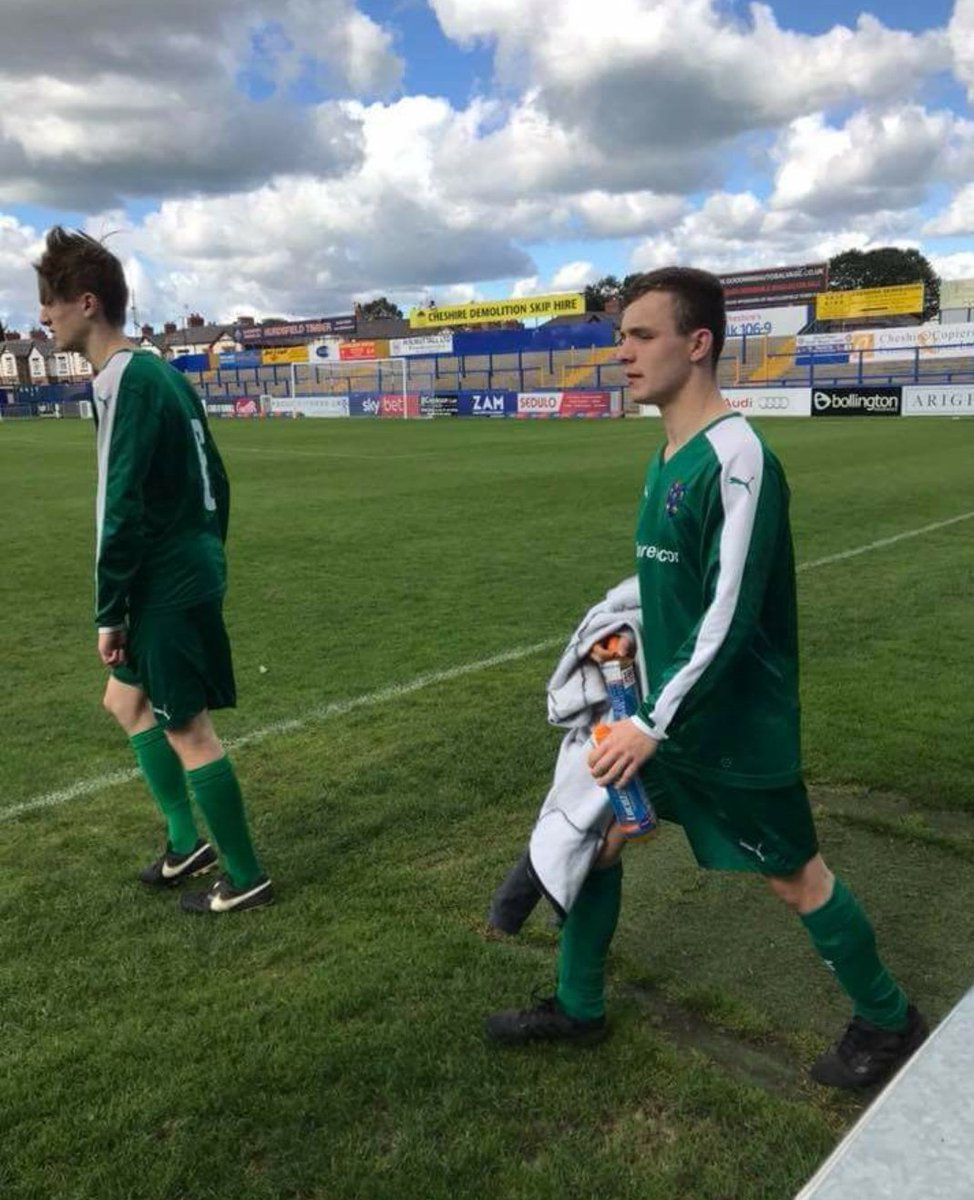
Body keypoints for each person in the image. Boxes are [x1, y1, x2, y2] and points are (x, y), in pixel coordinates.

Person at [486, 267, 926, 1088]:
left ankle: (889, 1018)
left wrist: (650, 724)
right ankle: (578, 1007)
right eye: (621, 336)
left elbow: (728, 615)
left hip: (730, 727)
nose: (622, 352)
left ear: (698, 344)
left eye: (641, 335)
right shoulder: (667, 455)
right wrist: (622, 634)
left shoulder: (738, 460)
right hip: (667, 717)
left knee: (796, 877)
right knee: (601, 842)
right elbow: (674, 591)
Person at [35, 227, 272, 914]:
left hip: (167, 574)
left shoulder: (124, 381)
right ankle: (184, 843)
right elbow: (216, 480)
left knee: (186, 727)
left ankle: (246, 874)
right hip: (185, 561)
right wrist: (206, 548)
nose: (42, 317)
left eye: (49, 302)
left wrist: (110, 611)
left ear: (86, 303)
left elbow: (119, 506)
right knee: (124, 700)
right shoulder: (157, 372)